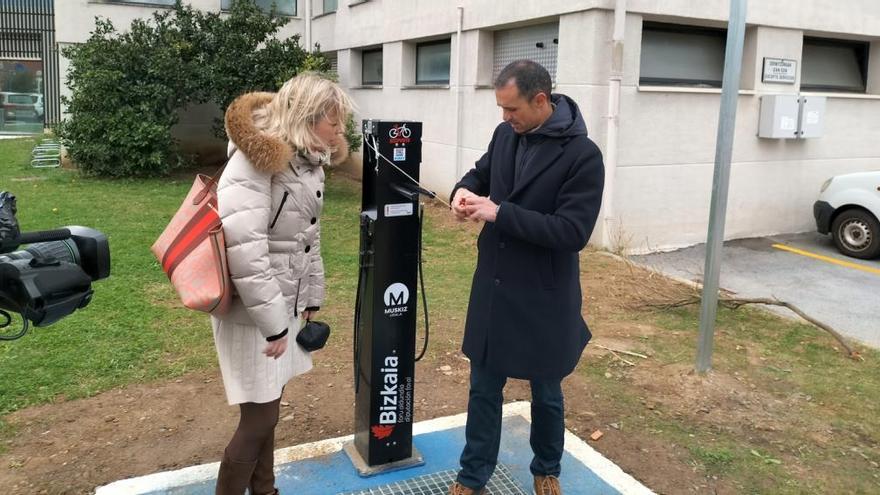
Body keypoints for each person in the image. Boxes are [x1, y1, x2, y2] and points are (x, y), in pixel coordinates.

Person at [448, 60, 605, 495]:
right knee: (483, 387)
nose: (505, 118)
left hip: (544, 294)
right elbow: (481, 173)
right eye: (501, 108)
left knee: (547, 393)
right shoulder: (505, 135)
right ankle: (472, 474)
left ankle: (546, 469)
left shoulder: (583, 155)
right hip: (495, 286)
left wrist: (501, 213)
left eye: (512, 108)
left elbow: (572, 232)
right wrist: (462, 190)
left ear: (541, 101)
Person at [211, 72, 352, 495]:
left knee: (268, 409)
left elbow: (307, 238)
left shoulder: (308, 162)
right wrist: (274, 323)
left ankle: (265, 490)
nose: (341, 132)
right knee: (260, 418)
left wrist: (310, 298)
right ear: (308, 118)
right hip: (252, 313)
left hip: (282, 304)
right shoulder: (255, 160)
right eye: (334, 122)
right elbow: (245, 250)